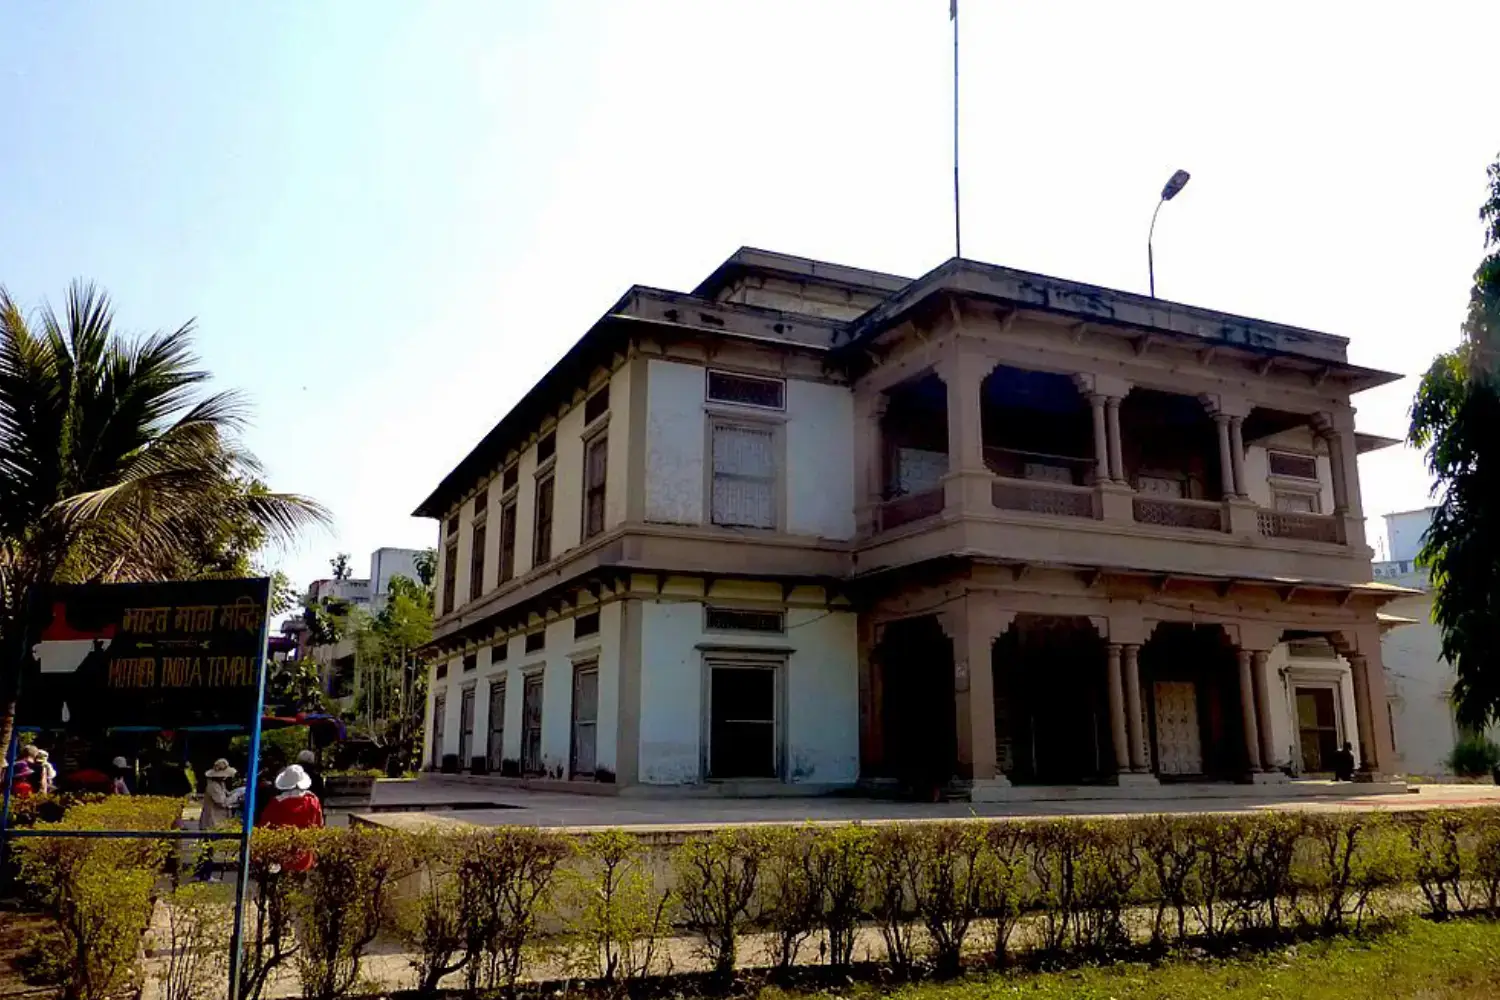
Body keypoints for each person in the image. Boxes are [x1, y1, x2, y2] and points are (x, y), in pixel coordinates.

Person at [258, 765, 324, 873]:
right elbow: (318, 826)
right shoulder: (313, 800)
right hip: (305, 854)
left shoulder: (277, 803)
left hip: (281, 854)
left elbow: (264, 826)